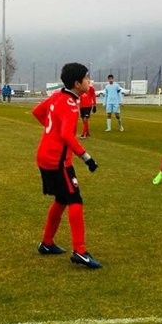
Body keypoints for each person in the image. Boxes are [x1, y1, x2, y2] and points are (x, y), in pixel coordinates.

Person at [32, 62, 101, 269]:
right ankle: (80, 251)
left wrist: (51, 132)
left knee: (62, 198)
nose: (90, 82)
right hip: (57, 161)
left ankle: (47, 243)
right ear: (77, 83)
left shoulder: (57, 96)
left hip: (44, 156)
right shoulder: (71, 105)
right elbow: (66, 135)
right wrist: (87, 157)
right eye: (87, 78)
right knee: (74, 199)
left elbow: (37, 112)